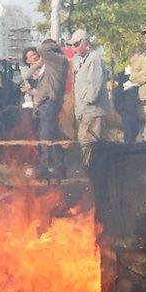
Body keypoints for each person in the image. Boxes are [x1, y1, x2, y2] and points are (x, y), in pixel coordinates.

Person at [69, 29, 109, 163]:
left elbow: (95, 85)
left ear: (85, 43)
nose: (73, 48)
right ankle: (91, 175)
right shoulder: (85, 60)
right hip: (86, 112)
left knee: (91, 146)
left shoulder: (94, 58)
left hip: (92, 112)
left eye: (76, 44)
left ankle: (93, 176)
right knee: (86, 144)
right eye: (72, 45)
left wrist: (87, 101)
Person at [33, 38, 68, 180]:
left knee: (45, 136)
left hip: (49, 102)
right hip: (47, 103)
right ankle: (59, 168)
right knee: (52, 137)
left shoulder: (58, 60)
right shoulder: (53, 64)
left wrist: (55, 45)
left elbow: (40, 49)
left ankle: (43, 168)